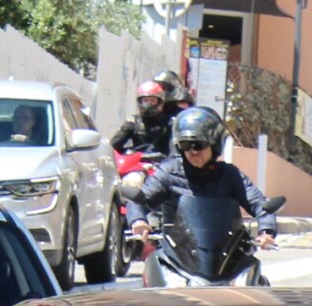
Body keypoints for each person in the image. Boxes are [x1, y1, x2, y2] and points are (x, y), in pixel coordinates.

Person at [135, 107, 277, 247]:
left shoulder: (230, 175)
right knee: (154, 266)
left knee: (252, 267)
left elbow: (259, 203)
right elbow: (139, 199)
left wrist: (266, 231)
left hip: (224, 254)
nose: (193, 151)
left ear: (214, 144)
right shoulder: (168, 172)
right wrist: (139, 220)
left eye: (199, 145)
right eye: (186, 144)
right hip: (177, 251)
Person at [110, 80, 175, 158]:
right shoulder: (133, 121)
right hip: (138, 164)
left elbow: (174, 151)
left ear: (160, 102)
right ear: (140, 102)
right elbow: (114, 145)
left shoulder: (169, 122)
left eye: (152, 100)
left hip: (162, 164)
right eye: (145, 100)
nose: (148, 104)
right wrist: (128, 153)